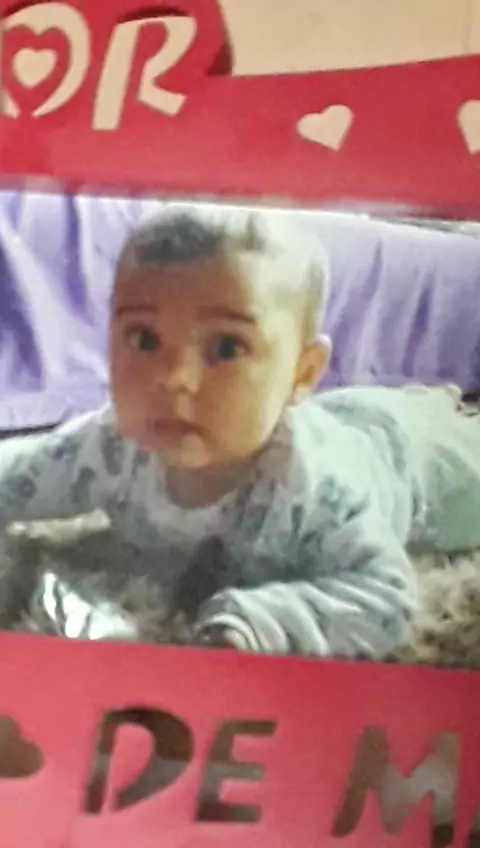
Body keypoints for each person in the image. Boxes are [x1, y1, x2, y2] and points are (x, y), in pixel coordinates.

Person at [0, 206, 479, 659]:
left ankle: (436, 409)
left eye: (226, 348)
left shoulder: (316, 491)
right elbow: (21, 473)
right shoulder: (109, 447)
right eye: (144, 339)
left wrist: (256, 620)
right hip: (325, 415)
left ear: (303, 373)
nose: (174, 378)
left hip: (410, 459)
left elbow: (386, 595)